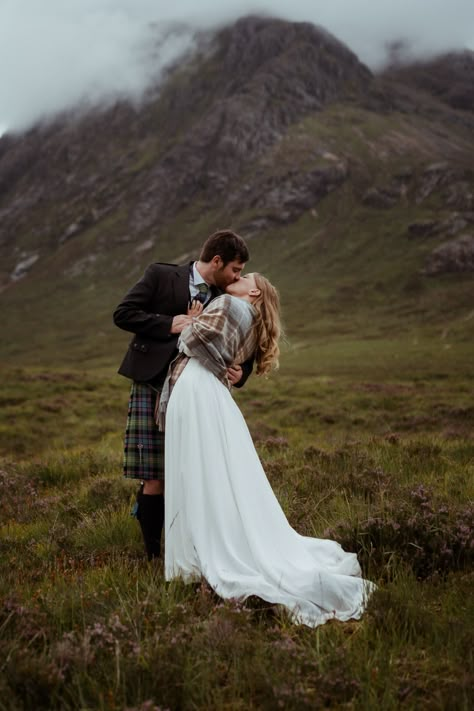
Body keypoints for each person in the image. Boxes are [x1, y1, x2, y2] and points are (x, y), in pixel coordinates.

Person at [160, 273, 376, 628]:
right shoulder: (249, 318)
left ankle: (208, 558)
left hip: (202, 391)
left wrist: (192, 321)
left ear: (254, 291)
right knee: (219, 477)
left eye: (245, 275)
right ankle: (212, 550)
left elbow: (191, 340)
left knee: (203, 475)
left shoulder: (231, 304)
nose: (238, 276)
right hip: (215, 397)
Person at [113, 229, 251, 560]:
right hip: (153, 382)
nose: (238, 276)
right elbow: (124, 314)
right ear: (216, 261)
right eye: (235, 269)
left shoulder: (224, 295)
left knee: (192, 472)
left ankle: (192, 549)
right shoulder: (161, 275)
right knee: (154, 477)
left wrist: (241, 372)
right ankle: (153, 556)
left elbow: (244, 343)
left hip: (197, 389)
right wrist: (171, 323)